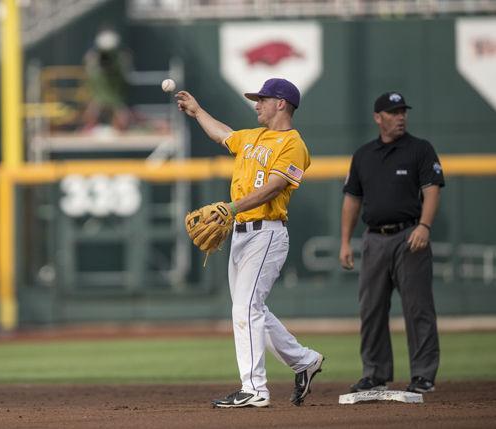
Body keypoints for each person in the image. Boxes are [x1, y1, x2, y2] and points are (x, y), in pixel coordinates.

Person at [176, 78, 324, 408]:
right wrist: (197, 111)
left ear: (281, 104)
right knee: (251, 308)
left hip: (267, 232)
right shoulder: (253, 137)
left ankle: (255, 388)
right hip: (241, 233)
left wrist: (230, 207)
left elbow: (273, 187)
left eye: (263, 99)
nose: (256, 104)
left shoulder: (293, 144)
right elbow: (223, 134)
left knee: (245, 308)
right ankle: (304, 361)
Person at [340, 91, 443, 394]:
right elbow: (351, 199)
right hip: (374, 238)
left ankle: (423, 374)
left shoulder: (419, 149)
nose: (400, 117)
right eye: (394, 112)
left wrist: (424, 226)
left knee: (418, 308)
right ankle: (375, 372)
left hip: (409, 235)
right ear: (378, 117)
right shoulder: (363, 155)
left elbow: (433, 189)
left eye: (403, 112)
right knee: (371, 308)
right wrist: (345, 241)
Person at [81, 28, 132, 133]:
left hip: (114, 94)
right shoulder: (94, 59)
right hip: (100, 93)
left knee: (122, 115)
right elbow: (90, 64)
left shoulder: (119, 60)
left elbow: (125, 67)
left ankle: (122, 129)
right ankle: (88, 128)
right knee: (92, 112)